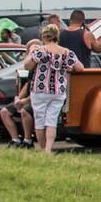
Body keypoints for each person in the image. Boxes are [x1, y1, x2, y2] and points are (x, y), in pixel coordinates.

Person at [21, 23, 77, 152]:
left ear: (44, 37)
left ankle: (42, 148)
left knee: (39, 120)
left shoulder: (41, 51)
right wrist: (68, 67)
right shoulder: (66, 52)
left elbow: (27, 66)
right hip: (58, 90)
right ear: (57, 37)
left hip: (40, 89)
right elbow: (79, 67)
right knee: (51, 121)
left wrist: (31, 52)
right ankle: (48, 148)